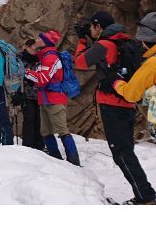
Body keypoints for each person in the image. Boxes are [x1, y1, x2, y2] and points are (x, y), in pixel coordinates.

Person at [74, 10, 155, 204]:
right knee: (125, 150)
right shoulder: (125, 42)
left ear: (98, 27)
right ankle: (145, 193)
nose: (90, 30)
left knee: (121, 152)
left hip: (113, 103)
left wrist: (82, 41)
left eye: (92, 27)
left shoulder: (104, 44)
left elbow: (80, 62)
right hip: (127, 104)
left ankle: (146, 196)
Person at [104, 12, 156, 204]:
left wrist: (115, 80)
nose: (140, 44)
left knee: (122, 151)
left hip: (119, 105)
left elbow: (131, 94)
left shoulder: (151, 63)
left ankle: (146, 198)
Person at [23, 31, 80, 165]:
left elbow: (42, 79)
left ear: (44, 42)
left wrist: (25, 72)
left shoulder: (51, 58)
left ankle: (74, 162)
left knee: (62, 131)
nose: (36, 40)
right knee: (46, 131)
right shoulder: (43, 57)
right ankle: (56, 160)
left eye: (39, 38)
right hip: (45, 99)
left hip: (55, 100)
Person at [14, 39, 44, 150]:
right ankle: (28, 147)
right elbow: (17, 75)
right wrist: (16, 92)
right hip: (26, 94)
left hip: (38, 94)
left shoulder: (38, 59)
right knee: (30, 119)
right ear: (26, 46)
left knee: (39, 120)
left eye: (37, 49)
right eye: (33, 48)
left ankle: (39, 146)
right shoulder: (20, 58)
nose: (35, 51)